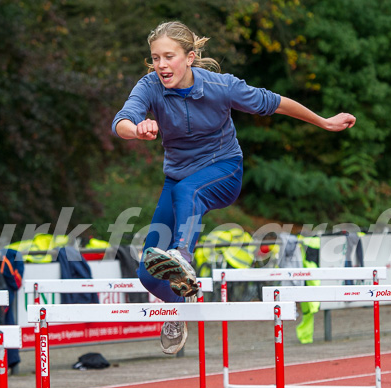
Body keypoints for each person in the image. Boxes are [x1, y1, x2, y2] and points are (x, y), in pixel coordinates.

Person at [112, 21, 356, 355]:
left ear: (190, 57)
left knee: (189, 194)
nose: (162, 65)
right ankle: (179, 306)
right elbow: (122, 121)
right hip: (178, 178)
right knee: (147, 272)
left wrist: (324, 121)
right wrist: (137, 129)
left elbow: (276, 102)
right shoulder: (150, 86)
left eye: (169, 57)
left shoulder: (221, 86)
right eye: (156, 58)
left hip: (224, 171)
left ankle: (183, 254)